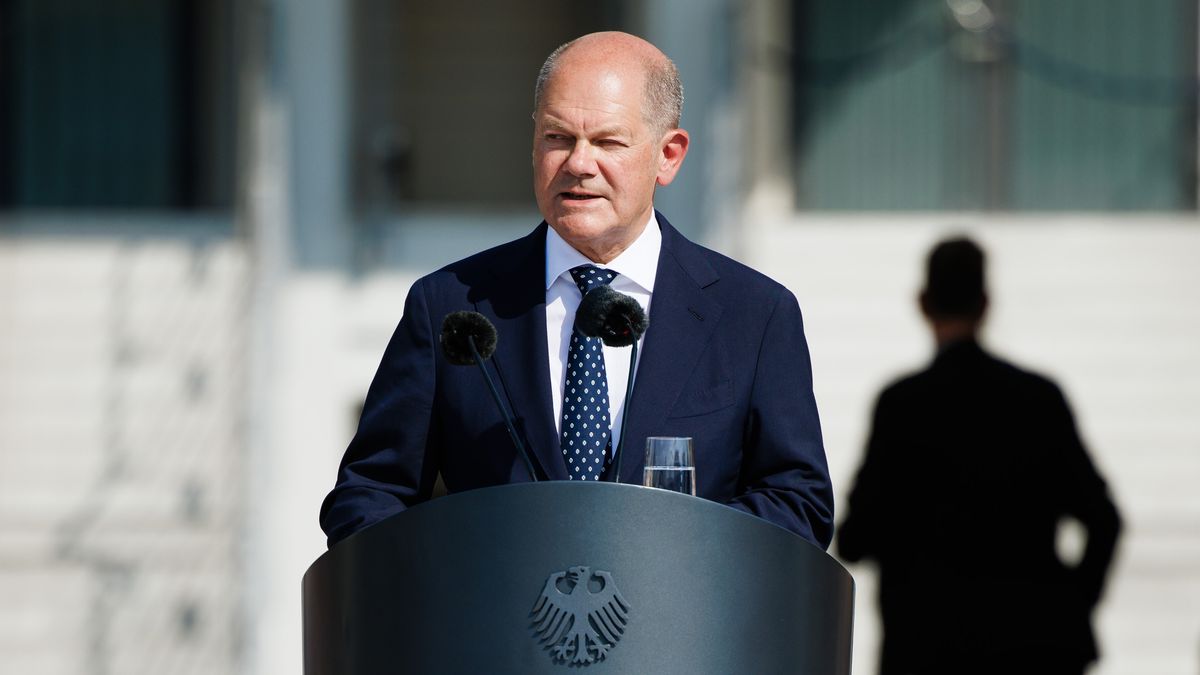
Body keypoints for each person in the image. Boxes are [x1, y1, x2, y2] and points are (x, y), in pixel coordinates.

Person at [319, 32, 833, 550]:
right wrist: (450, 573)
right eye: (558, 138)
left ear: (668, 156)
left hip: (678, 621)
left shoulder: (753, 315)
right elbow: (369, 495)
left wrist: (678, 550)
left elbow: (797, 503)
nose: (578, 164)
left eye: (608, 142)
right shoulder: (451, 307)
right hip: (492, 622)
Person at [837, 237, 1122, 675]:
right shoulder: (1038, 399)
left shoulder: (904, 405)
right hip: (1033, 645)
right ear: (986, 303)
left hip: (926, 645)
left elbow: (857, 538)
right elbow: (1104, 520)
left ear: (923, 303)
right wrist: (1070, 605)